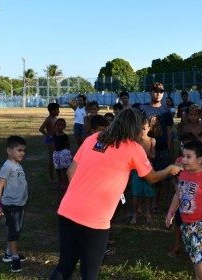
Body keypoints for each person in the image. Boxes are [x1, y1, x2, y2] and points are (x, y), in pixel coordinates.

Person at [50, 108, 182, 279]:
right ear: (134, 128)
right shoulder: (134, 148)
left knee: (65, 265)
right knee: (90, 273)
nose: (144, 131)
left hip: (67, 209)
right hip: (94, 219)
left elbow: (70, 172)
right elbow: (151, 178)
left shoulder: (94, 138)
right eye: (142, 127)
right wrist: (169, 170)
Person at [166, 140, 202, 280]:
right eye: (183, 156)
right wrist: (171, 212)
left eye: (188, 157)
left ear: (199, 159)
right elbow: (178, 194)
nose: (183, 160)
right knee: (194, 257)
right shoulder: (184, 174)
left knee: (200, 260)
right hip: (187, 224)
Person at [0, 136, 28, 273]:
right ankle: (14, 258)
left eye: (24, 151)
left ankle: (9, 252)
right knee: (14, 231)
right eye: (19, 150)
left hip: (19, 204)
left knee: (17, 229)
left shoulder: (17, 165)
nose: (22, 153)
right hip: (11, 205)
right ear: (9, 150)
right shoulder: (7, 166)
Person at [139, 82, 175, 213]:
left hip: (161, 148)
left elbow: (169, 131)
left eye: (160, 91)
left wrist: (169, 147)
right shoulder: (143, 108)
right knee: (142, 175)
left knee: (159, 176)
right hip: (144, 149)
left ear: (163, 93)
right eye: (155, 91)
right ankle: (141, 203)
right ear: (150, 92)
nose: (158, 94)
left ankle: (155, 203)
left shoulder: (166, 111)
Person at [168, 132, 198, 258]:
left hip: (195, 199)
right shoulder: (178, 161)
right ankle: (177, 246)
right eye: (182, 145)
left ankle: (195, 247)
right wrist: (176, 185)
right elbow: (174, 177)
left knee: (194, 224)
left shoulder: (197, 162)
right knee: (178, 223)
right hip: (181, 198)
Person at [130, 115, 156, 225]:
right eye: (140, 128)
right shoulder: (133, 141)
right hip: (136, 171)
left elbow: (153, 156)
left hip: (148, 170)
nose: (142, 131)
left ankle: (148, 213)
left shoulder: (152, 140)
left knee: (148, 193)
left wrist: (144, 149)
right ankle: (136, 213)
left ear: (149, 128)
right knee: (136, 194)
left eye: (145, 128)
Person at [52, 118, 72, 190]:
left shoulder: (65, 136)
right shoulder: (54, 135)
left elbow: (68, 145)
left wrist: (68, 154)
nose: (59, 126)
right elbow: (51, 142)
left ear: (64, 127)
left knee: (64, 170)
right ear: (55, 125)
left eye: (61, 125)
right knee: (57, 169)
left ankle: (66, 184)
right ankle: (60, 183)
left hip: (63, 154)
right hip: (56, 154)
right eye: (58, 124)